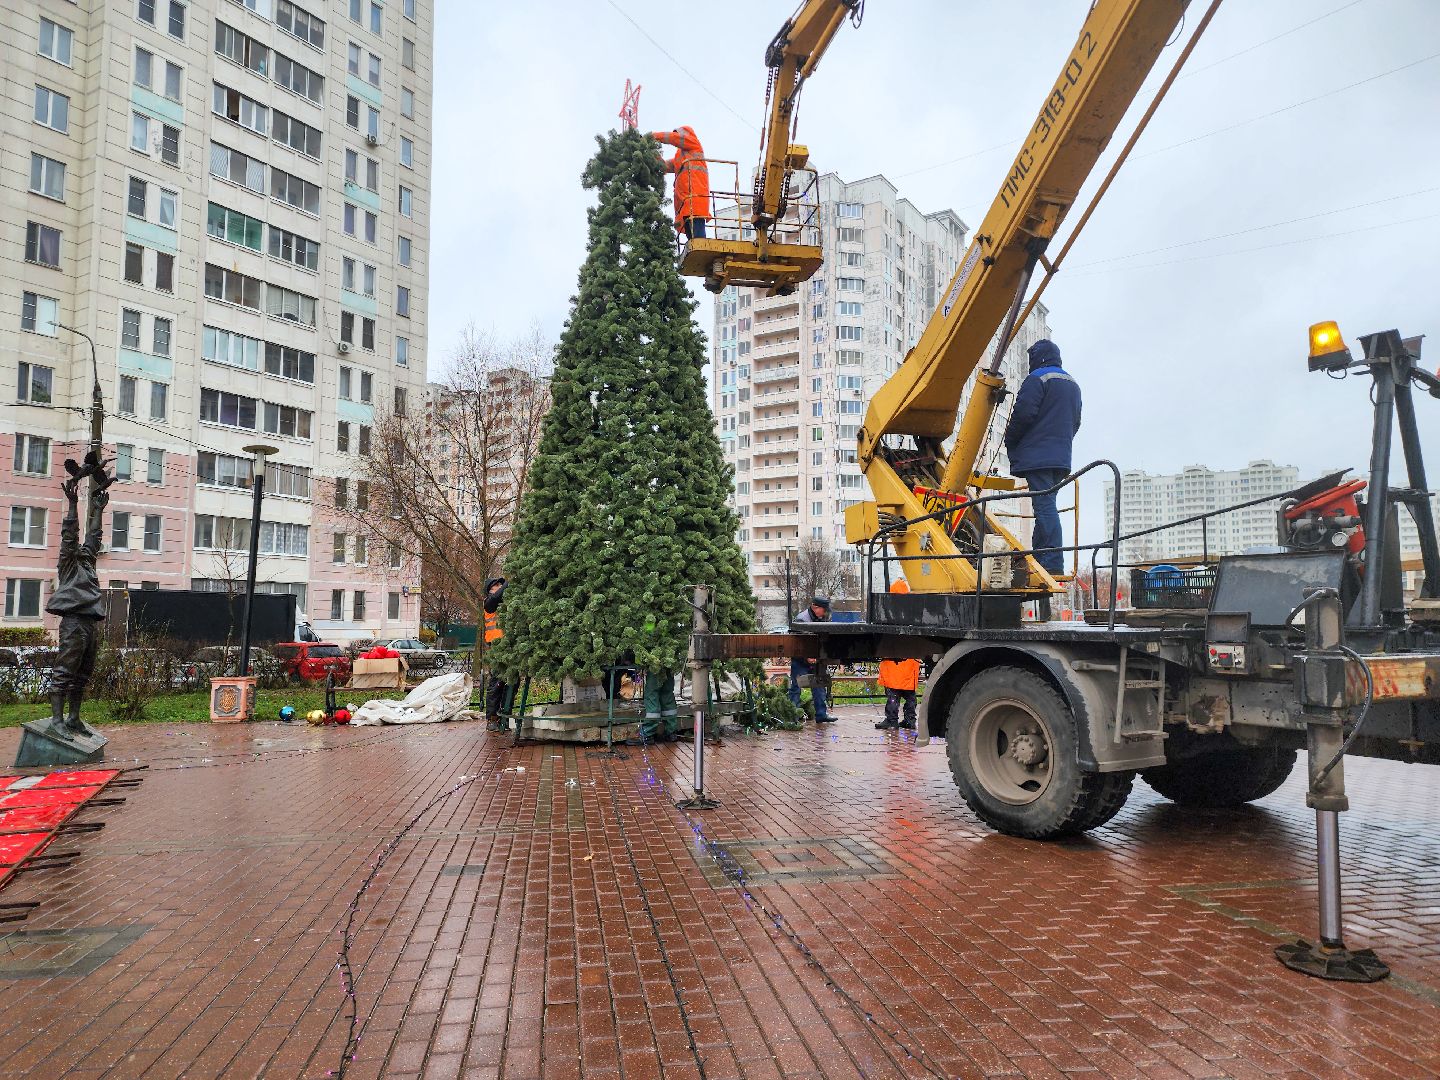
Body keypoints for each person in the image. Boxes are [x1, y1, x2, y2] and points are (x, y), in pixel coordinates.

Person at [1004, 339, 1082, 576]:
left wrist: (1012, 440)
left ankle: (1052, 560)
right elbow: (1076, 422)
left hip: (1039, 456)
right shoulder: (1072, 384)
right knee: (1045, 506)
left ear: (1037, 358)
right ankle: (1041, 556)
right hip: (1060, 458)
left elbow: (1023, 414)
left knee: (1045, 507)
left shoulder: (1037, 379)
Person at [47, 469, 111, 737]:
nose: (88, 550)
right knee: (65, 670)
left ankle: (74, 718)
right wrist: (73, 504)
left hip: (89, 622)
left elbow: (93, 538)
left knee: (83, 672)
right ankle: (57, 720)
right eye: (82, 549)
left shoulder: (88, 562)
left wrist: (97, 510)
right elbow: (69, 536)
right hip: (73, 622)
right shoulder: (69, 563)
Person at [650, 126, 711, 240]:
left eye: (679, 134)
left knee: (698, 238)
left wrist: (653, 136)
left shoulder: (693, 143)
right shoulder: (680, 157)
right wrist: (652, 152)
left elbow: (674, 138)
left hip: (696, 199)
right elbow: (664, 166)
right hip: (686, 203)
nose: (678, 137)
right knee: (692, 238)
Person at [875, 581, 920, 731]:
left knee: (893, 693)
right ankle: (910, 720)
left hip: (895, 660)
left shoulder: (891, 612)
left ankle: (892, 720)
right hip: (910, 661)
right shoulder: (913, 612)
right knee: (909, 695)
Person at [789, 595, 834, 724]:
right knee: (795, 687)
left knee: (819, 685)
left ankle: (821, 715)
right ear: (815, 607)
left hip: (817, 659)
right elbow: (797, 643)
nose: (825, 612)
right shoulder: (802, 619)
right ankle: (794, 715)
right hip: (800, 659)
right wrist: (806, 656)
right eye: (823, 609)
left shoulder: (824, 618)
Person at [482, 577, 509, 731]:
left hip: (507, 646)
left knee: (511, 681)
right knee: (497, 682)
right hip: (496, 645)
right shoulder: (489, 602)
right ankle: (492, 718)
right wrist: (507, 583)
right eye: (496, 586)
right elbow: (498, 595)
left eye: (500, 585)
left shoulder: (503, 604)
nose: (499, 588)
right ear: (489, 590)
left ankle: (505, 716)